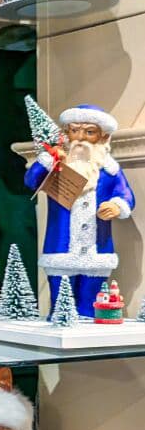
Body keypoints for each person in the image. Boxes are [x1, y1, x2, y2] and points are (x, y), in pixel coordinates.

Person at [24, 104, 133, 315]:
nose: (80, 137)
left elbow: (126, 194)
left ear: (102, 137)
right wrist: (48, 159)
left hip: (97, 250)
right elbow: (31, 181)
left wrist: (116, 206)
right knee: (61, 306)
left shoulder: (109, 169)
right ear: (67, 133)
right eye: (75, 130)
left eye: (89, 132)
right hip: (60, 248)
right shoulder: (55, 164)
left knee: (91, 304)